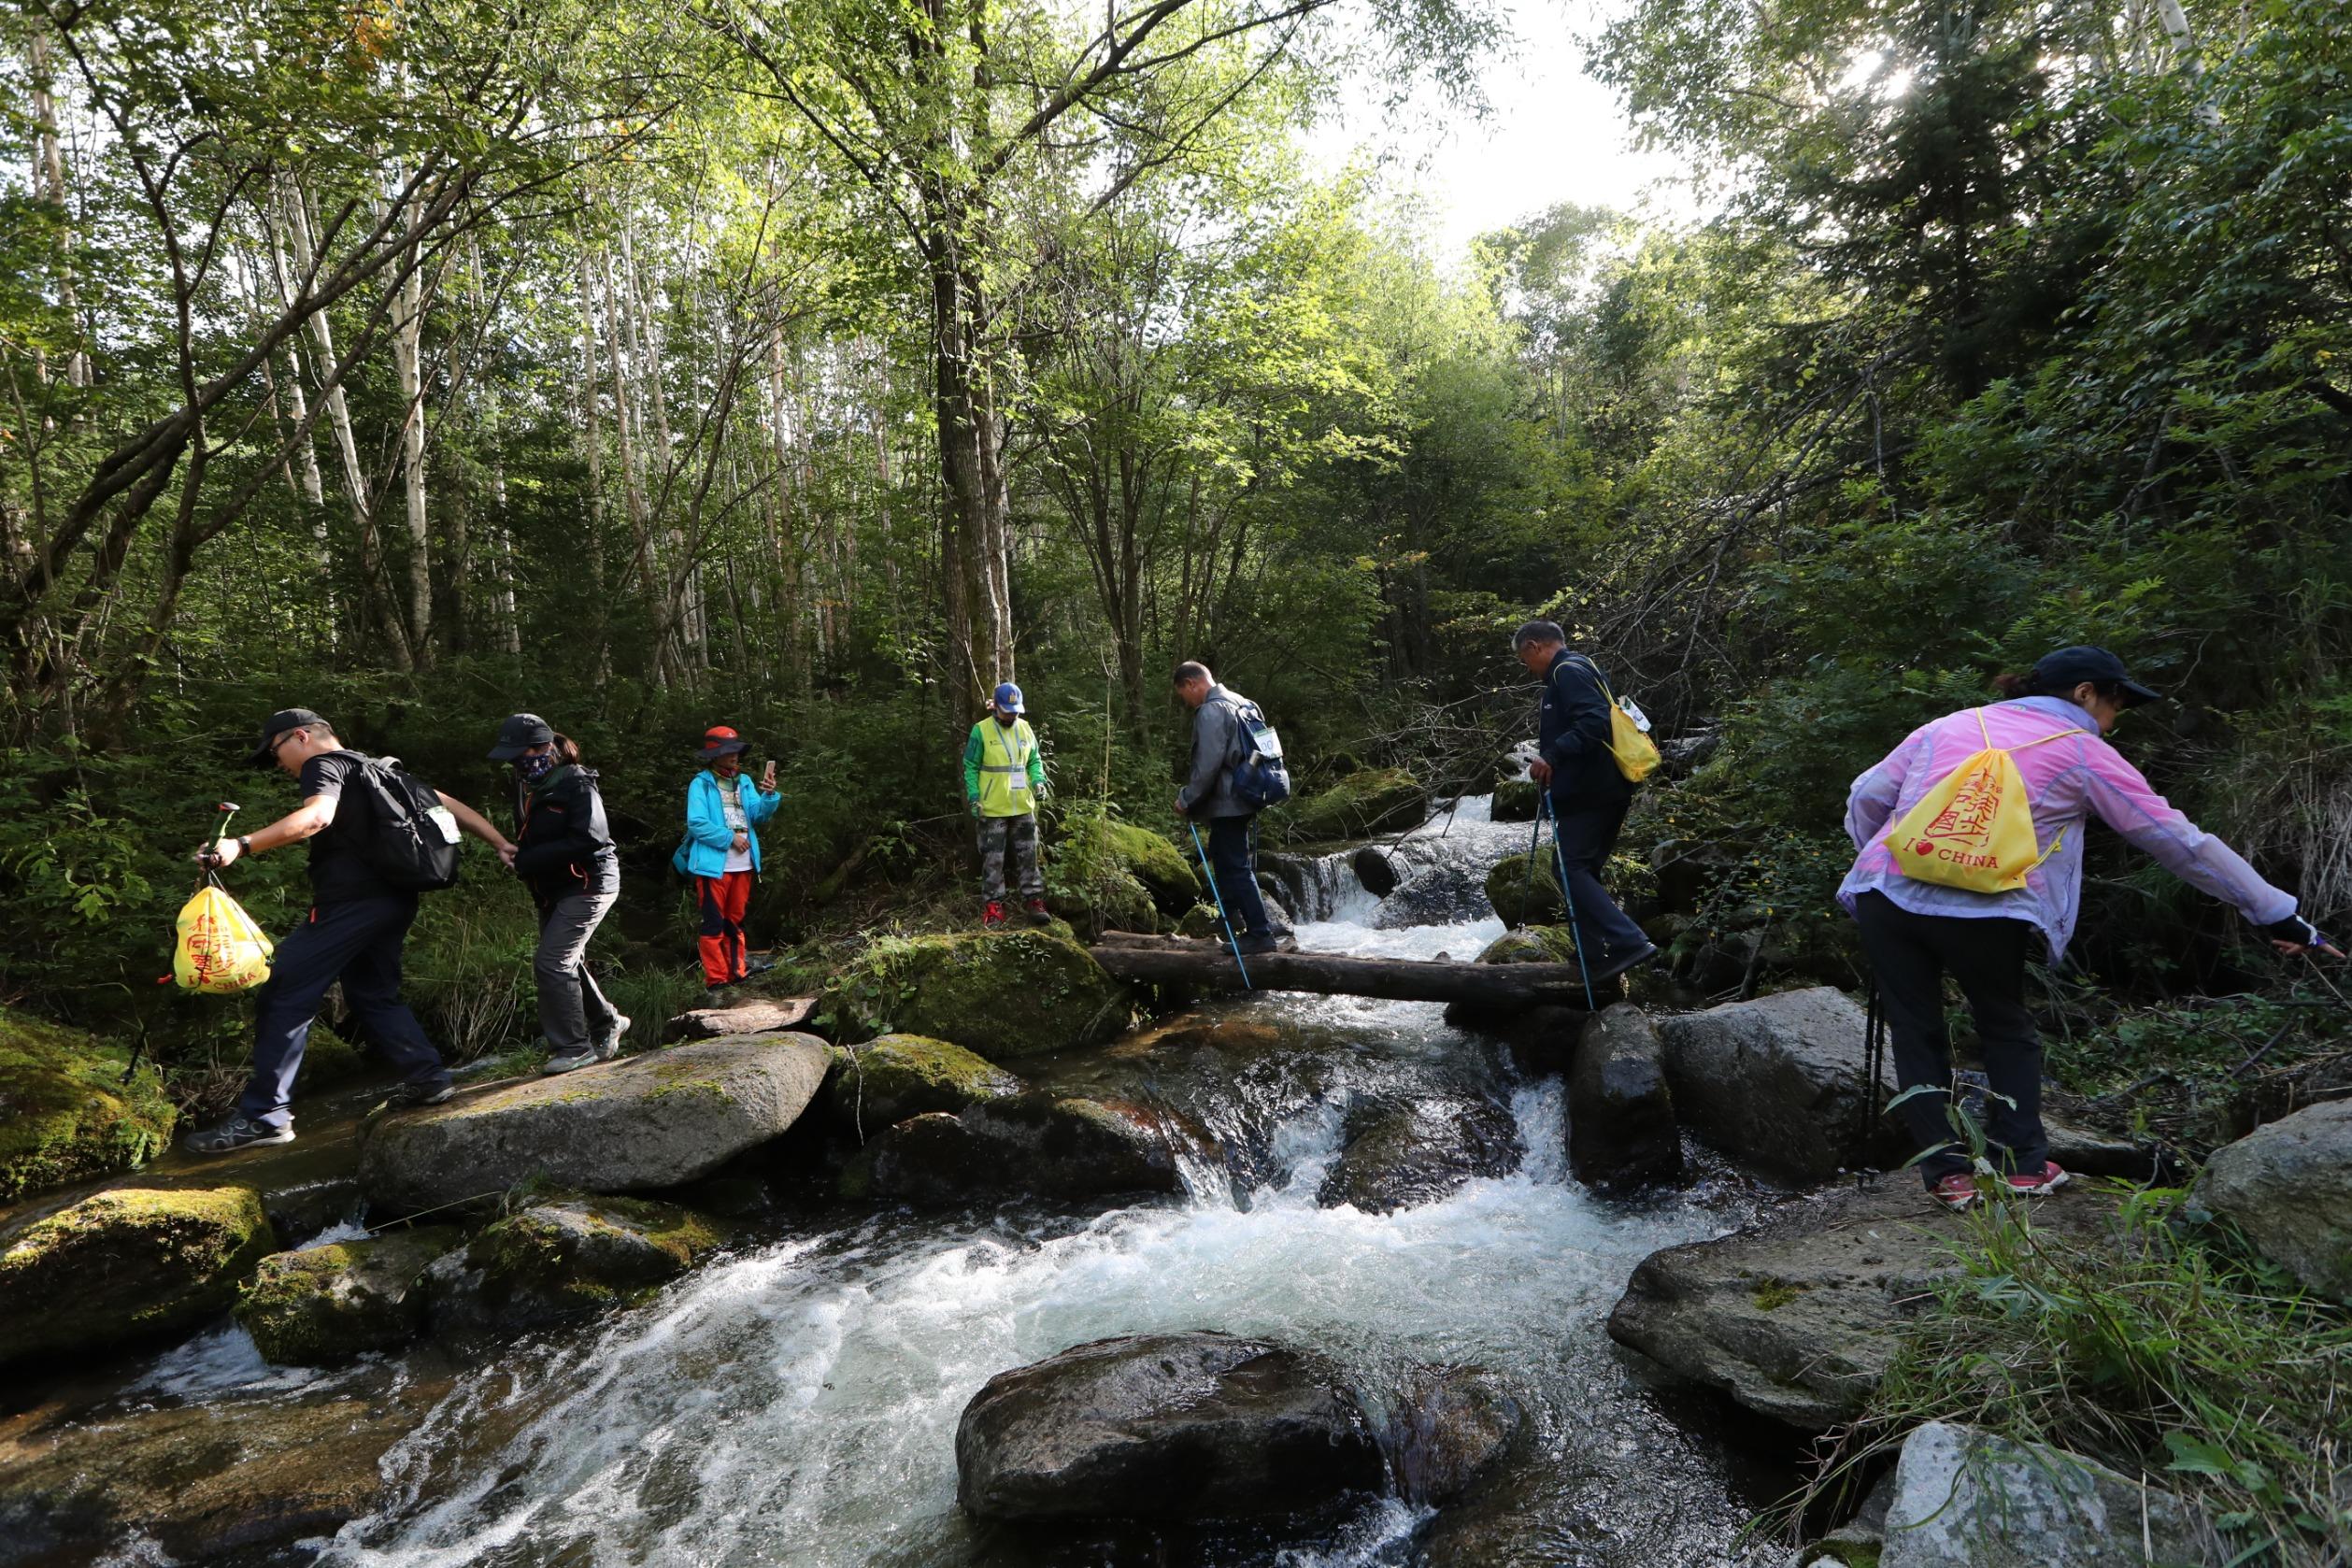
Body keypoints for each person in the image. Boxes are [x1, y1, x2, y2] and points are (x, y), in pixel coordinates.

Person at [1841, 646, 2337, 1209]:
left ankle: (1947, 1177)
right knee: (2003, 1026)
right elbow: (2175, 839)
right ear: (2084, 692)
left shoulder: (1949, 725)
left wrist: (1880, 859)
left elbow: (1868, 795)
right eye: (2115, 701)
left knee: (1914, 1028)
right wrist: (2272, 910)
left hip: (1886, 892)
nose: (2115, 716)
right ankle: (2022, 1166)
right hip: (1987, 908)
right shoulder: (2080, 751)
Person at [181, 708, 513, 1154]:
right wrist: (500, 843)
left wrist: (239, 845)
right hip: (396, 900)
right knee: (372, 993)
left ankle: (265, 1118)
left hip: (351, 904)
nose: (279, 764)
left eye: (277, 752)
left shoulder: (325, 766)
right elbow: (447, 804)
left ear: (300, 736)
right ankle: (429, 1079)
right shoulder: (379, 769)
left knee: (284, 990)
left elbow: (317, 818)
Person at [1512, 620, 1658, 982]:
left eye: (1524, 659)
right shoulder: (1584, 666)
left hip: (1592, 791)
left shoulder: (1567, 673)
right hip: (1606, 788)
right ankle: (1591, 954)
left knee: (1570, 868)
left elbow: (1594, 721)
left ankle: (1628, 941)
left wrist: (1551, 757)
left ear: (1534, 646)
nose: (1527, 668)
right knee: (1582, 869)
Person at [488, 713, 627, 1075]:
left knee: (552, 962)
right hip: (552, 889)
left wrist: (528, 861)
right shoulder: (527, 785)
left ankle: (574, 1048)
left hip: (590, 882)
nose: (517, 762)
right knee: (568, 960)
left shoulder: (577, 784)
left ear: (545, 747)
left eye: (522, 754)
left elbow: (590, 838)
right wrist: (520, 856)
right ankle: (608, 1021)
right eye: (512, 757)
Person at [1173, 662, 1279, 956]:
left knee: (1235, 866)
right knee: (1222, 855)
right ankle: (1230, 917)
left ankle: (1260, 933)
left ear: (1191, 683)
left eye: (1184, 694)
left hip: (1228, 801)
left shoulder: (1211, 711)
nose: (1187, 701)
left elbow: (1207, 765)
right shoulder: (1245, 703)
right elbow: (1269, 750)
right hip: (1248, 794)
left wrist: (1186, 799)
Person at [679, 725, 779, 998]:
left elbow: (757, 815)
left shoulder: (744, 781)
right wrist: (729, 838)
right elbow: (697, 823)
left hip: (744, 864)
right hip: (714, 865)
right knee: (713, 922)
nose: (734, 755)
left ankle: (737, 971)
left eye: (736, 750)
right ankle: (716, 979)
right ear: (715, 755)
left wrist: (769, 796)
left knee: (734, 921)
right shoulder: (700, 783)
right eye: (728, 751)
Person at [962, 681, 1051, 928]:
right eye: (1007, 710)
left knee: (1029, 855)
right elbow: (970, 766)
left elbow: (1034, 759)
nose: (1012, 715)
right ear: (996, 708)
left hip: (1023, 805)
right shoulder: (981, 731)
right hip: (991, 808)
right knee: (993, 859)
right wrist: (973, 796)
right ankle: (993, 906)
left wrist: (1039, 782)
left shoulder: (1025, 728)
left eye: (1015, 710)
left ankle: (1034, 901)